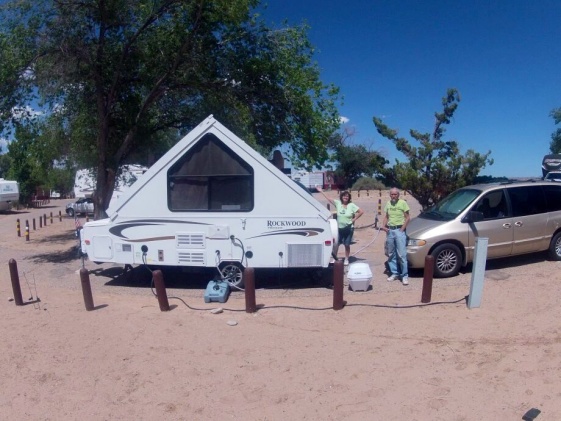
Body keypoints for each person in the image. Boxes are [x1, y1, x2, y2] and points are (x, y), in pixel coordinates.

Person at [317, 186, 364, 265]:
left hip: (349, 228)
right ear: (341, 197)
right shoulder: (338, 203)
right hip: (339, 228)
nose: (345, 197)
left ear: (349, 198)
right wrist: (321, 191)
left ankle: (346, 259)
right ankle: (335, 258)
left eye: (347, 196)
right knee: (336, 244)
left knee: (347, 244)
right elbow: (329, 199)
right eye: (344, 196)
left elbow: (361, 211)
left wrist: (354, 219)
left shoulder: (351, 205)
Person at [382, 188, 410, 285]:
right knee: (391, 254)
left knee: (402, 254)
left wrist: (402, 229)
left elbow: (407, 217)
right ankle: (394, 273)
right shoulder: (388, 203)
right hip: (390, 230)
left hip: (399, 230)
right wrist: (384, 226)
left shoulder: (403, 203)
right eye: (392, 194)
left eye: (395, 194)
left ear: (398, 195)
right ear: (390, 195)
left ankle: (404, 275)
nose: (393, 196)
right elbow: (386, 216)